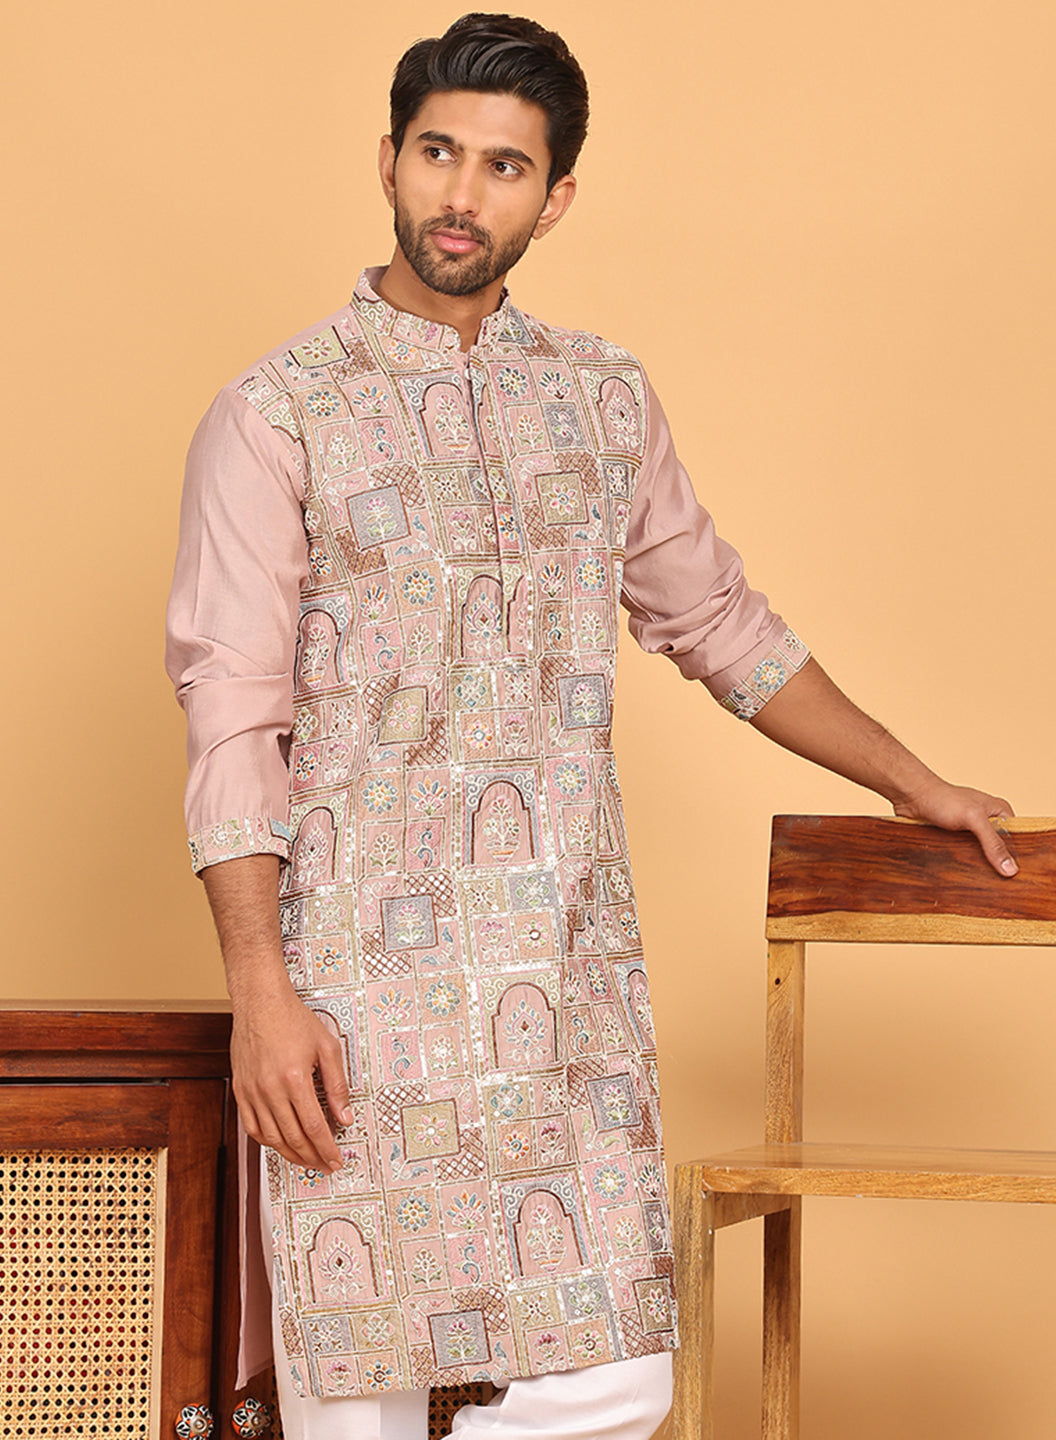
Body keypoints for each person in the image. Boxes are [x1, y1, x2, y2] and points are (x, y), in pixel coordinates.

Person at [165, 14, 1016, 1439]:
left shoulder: (601, 400)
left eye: (504, 166)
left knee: (614, 1383)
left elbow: (718, 621)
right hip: (357, 991)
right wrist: (263, 992)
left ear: (554, 197)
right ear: (388, 161)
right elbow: (232, 716)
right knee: (359, 1397)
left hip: (562, 986)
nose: (462, 194)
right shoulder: (278, 414)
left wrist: (909, 779)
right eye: (438, 152)